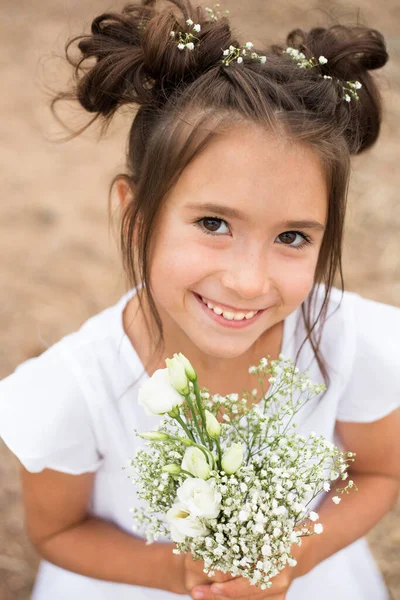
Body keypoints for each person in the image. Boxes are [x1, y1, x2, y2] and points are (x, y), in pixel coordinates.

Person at [1, 1, 399, 598]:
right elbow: (57, 532)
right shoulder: (75, 388)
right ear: (136, 217)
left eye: (292, 237)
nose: (247, 280)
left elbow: (379, 470)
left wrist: (293, 556)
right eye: (214, 223)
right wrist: (180, 573)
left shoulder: (345, 342)